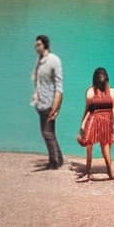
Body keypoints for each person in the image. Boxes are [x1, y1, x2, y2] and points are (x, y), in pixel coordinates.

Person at [77, 67, 114, 180]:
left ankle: (108, 171)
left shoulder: (112, 92)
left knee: (104, 146)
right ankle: (88, 171)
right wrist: (83, 124)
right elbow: (88, 110)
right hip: (93, 119)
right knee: (91, 145)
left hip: (105, 122)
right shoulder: (91, 91)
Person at [31, 35, 64, 169]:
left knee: (47, 133)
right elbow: (38, 83)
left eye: (38, 44)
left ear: (45, 45)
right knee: (48, 133)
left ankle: (55, 161)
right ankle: (56, 159)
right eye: (36, 44)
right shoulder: (39, 61)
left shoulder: (53, 60)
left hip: (50, 101)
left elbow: (59, 85)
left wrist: (56, 106)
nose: (36, 47)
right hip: (40, 102)